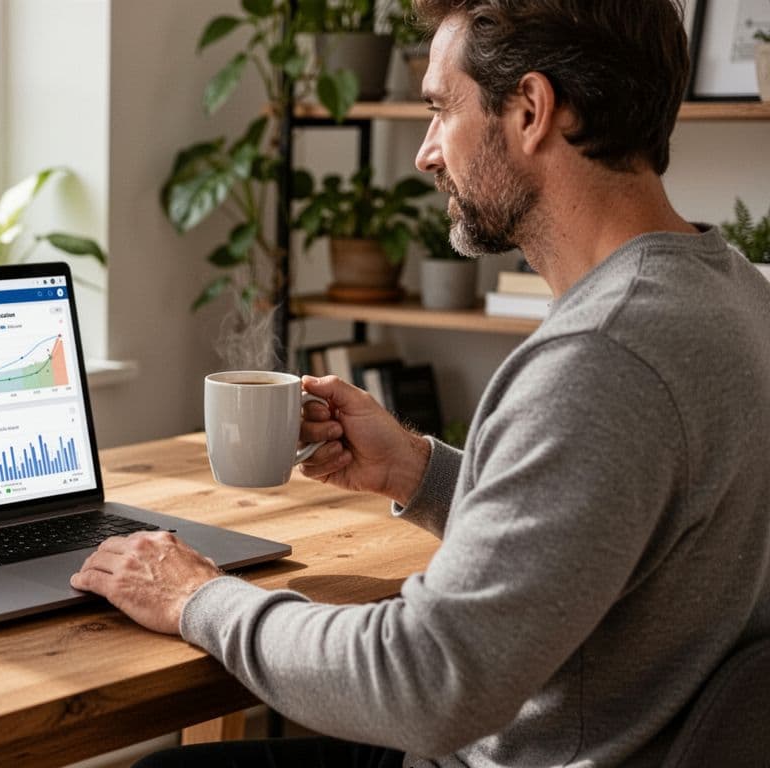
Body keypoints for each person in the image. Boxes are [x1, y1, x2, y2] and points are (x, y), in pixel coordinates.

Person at [70, 0, 770, 765]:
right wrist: (419, 471)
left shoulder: (600, 358)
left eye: (441, 109)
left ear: (532, 110)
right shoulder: (730, 291)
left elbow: (428, 681)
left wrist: (197, 598)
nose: (425, 153)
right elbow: (613, 534)